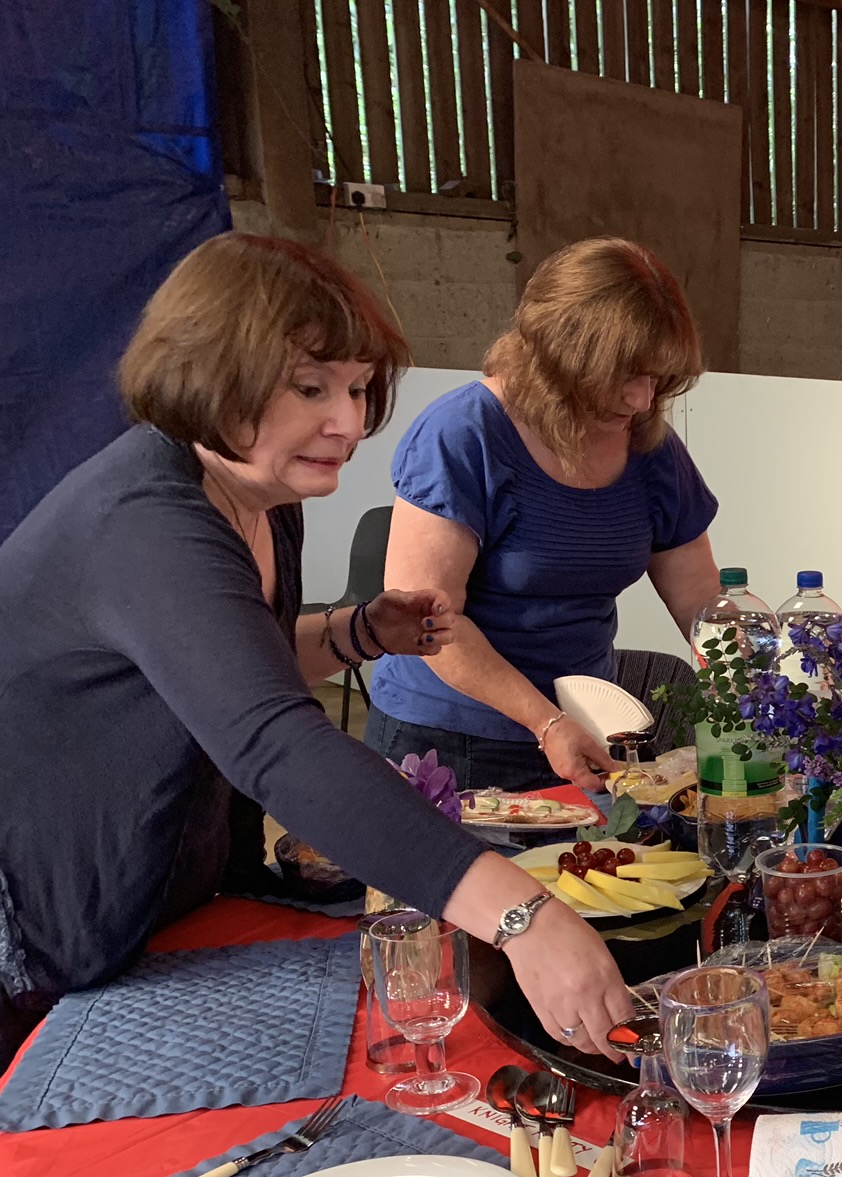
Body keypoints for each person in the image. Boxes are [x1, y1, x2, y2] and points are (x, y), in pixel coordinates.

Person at [0, 234, 633, 1065]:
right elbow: (275, 741)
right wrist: (524, 917)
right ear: (209, 371)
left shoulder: (260, 497)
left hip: (162, 908)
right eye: (311, 388)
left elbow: (231, 665)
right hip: (39, 938)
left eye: (359, 389)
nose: (349, 423)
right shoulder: (146, 522)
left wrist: (356, 632)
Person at [364, 238, 722, 793]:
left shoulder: (650, 447)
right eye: (626, 375)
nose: (642, 400)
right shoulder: (463, 435)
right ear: (560, 357)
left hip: (582, 731)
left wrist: (754, 684)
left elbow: (700, 599)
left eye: (657, 378)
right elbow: (430, 624)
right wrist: (545, 722)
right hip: (448, 737)